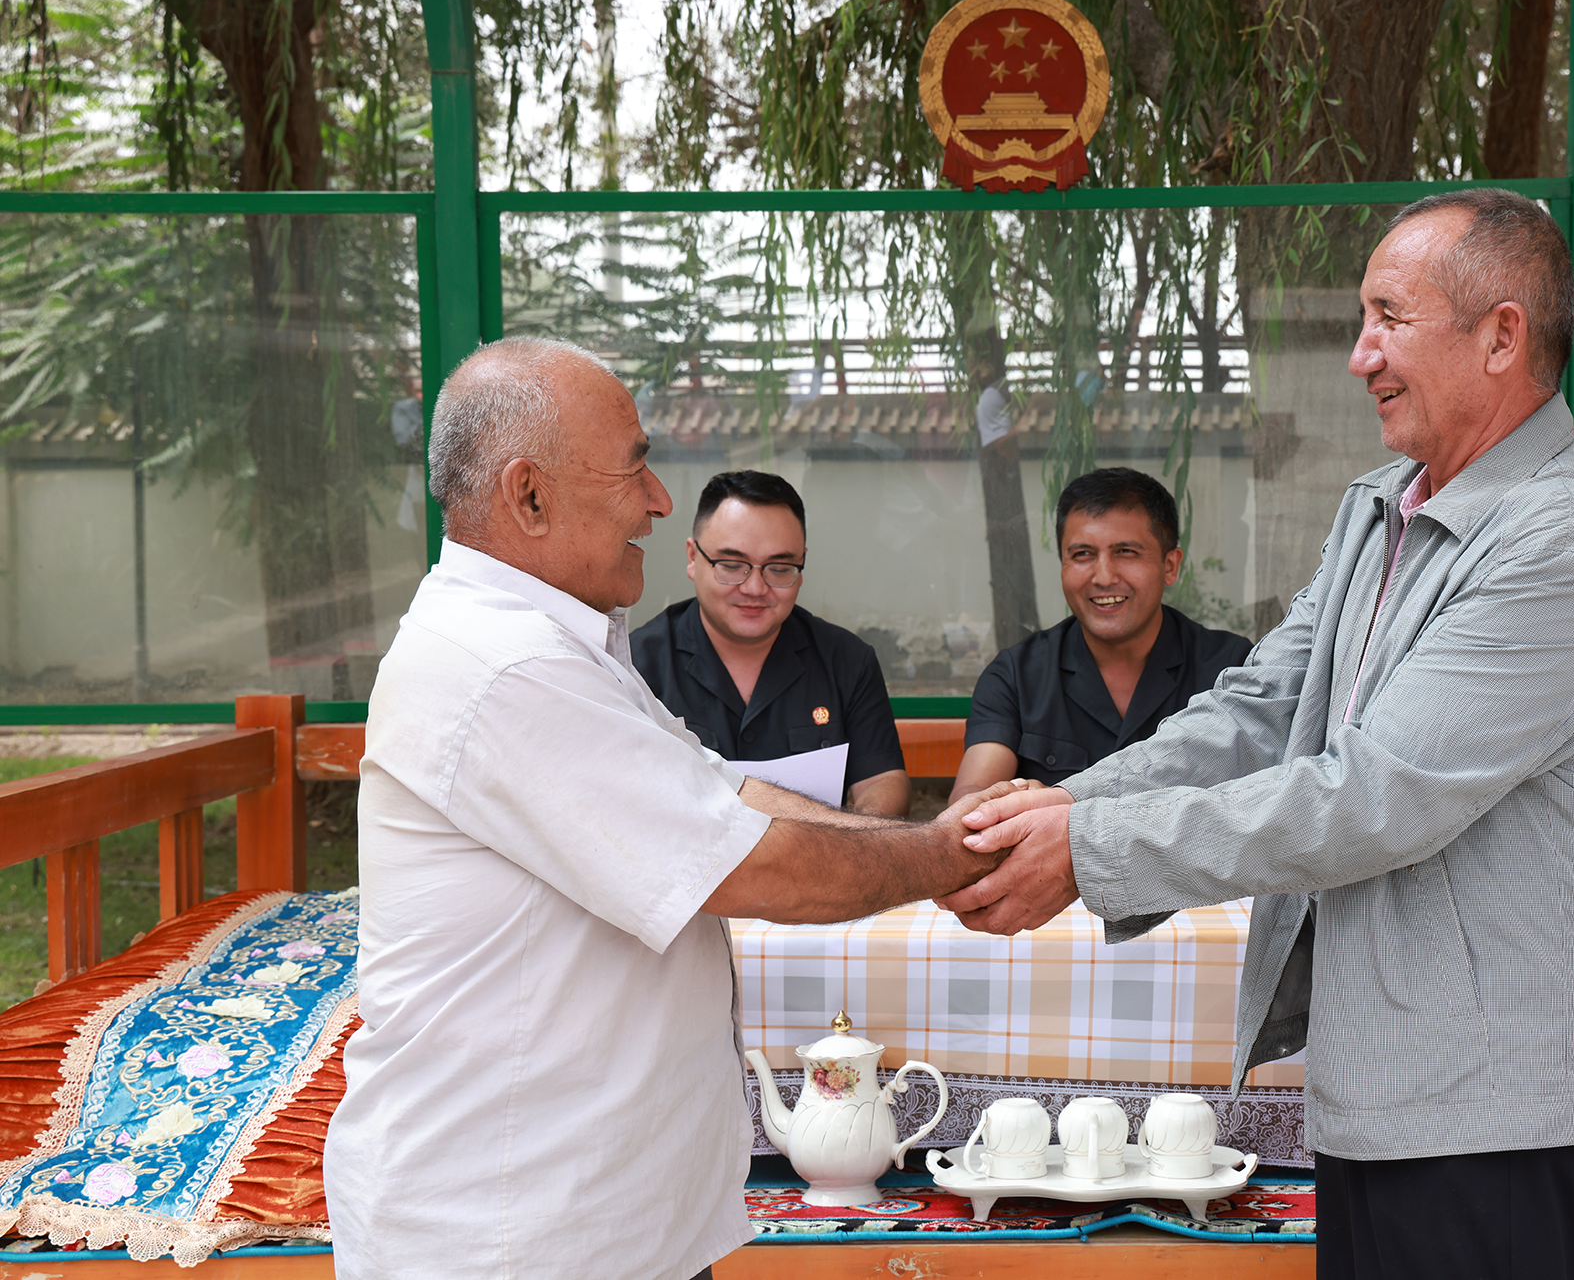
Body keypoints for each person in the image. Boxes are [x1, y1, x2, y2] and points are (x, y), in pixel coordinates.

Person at [942, 190, 1574, 1280]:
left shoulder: (1561, 543)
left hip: (1494, 1105)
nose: (1361, 355)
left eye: (1388, 318)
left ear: (1501, 335)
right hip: (1386, 1077)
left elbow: (1370, 796)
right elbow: (1261, 708)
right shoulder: (1384, 505)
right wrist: (1067, 804)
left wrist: (1085, 852)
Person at [323, 337, 1012, 1280]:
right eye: (634, 465)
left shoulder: (562, 644)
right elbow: (754, 864)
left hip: (600, 1219)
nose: (655, 499)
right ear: (530, 496)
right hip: (517, 1235)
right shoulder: (506, 667)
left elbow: (727, 791)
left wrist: (940, 835)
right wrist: (954, 857)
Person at [948, 467, 1251, 804]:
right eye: (1082, 555)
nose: (1104, 577)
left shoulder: (1232, 670)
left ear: (1170, 565)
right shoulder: (1018, 676)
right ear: (1062, 564)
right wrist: (1003, 801)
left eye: (1126, 552)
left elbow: (1264, 799)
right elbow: (971, 798)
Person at [630, 471, 909, 816]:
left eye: (779, 568)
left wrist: (860, 832)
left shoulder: (847, 660)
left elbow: (882, 779)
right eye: (732, 565)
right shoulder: (636, 665)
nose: (755, 589)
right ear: (692, 557)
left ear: (801, 564)